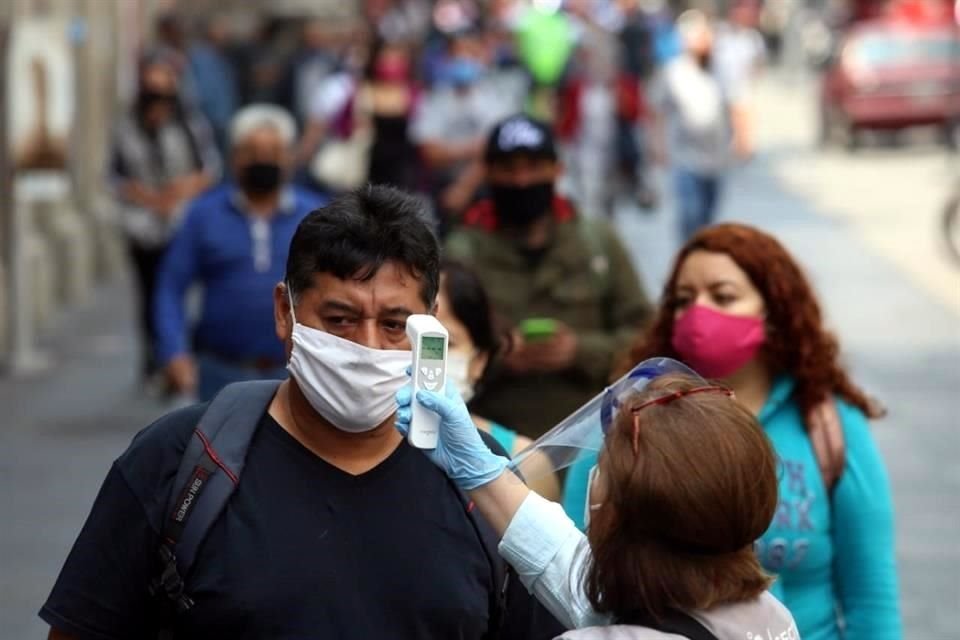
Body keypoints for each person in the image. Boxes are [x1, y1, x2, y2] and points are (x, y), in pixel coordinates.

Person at [40, 185, 564, 640]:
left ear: (429, 329)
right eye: (340, 319)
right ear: (284, 313)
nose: (367, 346)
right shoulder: (181, 462)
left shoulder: (483, 486)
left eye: (393, 324)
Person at [613, 223, 903, 639]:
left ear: (774, 310)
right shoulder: (635, 416)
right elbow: (580, 555)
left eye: (723, 296)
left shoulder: (828, 425)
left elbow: (871, 598)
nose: (699, 314)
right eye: (683, 300)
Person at [395, 363, 800, 636]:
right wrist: (483, 473)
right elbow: (576, 577)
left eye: (604, 466)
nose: (594, 478)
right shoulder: (770, 617)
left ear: (616, 514)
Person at [445, 114, 653, 438]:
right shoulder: (460, 254)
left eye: (533, 167)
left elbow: (647, 335)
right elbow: (435, 349)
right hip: (490, 441)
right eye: (508, 169)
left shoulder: (598, 243)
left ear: (557, 170)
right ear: (488, 173)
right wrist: (497, 356)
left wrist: (579, 351)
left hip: (589, 440)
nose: (521, 181)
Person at [154, 105, 326, 402]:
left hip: (297, 374)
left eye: (273, 152)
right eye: (251, 151)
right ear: (234, 157)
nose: (262, 160)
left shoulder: (316, 216)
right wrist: (173, 351)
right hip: (220, 372)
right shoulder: (203, 215)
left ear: (289, 157)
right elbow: (171, 286)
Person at [109, 53, 220, 382]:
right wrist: (147, 197)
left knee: (176, 288)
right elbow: (114, 176)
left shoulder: (189, 125)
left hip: (180, 221)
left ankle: (174, 352)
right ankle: (153, 355)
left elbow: (209, 169)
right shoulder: (126, 127)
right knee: (148, 289)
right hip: (141, 224)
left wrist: (178, 191)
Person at [438, 260, 561, 500]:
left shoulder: (526, 462)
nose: (420, 356)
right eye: (399, 331)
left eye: (445, 342)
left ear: (479, 360)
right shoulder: (356, 454)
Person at [409, 28, 515, 228]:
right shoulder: (434, 98)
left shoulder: (498, 97)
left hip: (486, 193)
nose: (464, 58)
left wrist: (463, 188)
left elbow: (494, 150)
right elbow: (430, 152)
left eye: (471, 52)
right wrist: (475, 147)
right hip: (441, 191)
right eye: (458, 52)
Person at [647, 10, 730, 240]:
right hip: (686, 158)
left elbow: (732, 105)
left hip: (715, 158)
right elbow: (656, 110)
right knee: (690, 215)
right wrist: (657, 145)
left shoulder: (718, 69)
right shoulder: (673, 71)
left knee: (707, 215)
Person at [712, 0, 766, 159]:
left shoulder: (753, 38)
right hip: (720, 86)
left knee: (742, 118)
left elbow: (758, 64)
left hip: (742, 87)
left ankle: (741, 149)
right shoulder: (720, 32)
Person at [187, 16, 240, 156]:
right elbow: (199, 90)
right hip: (207, 119)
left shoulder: (224, 57)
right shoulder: (199, 56)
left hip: (224, 119)